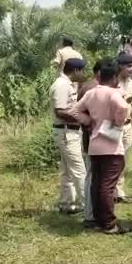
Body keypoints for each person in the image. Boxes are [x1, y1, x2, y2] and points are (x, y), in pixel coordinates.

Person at [71, 61, 131, 235]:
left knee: (97, 184)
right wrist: (118, 122)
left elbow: (74, 111)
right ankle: (109, 223)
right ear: (113, 77)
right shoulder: (113, 93)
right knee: (107, 186)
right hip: (111, 146)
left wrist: (90, 122)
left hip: (95, 144)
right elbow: (123, 107)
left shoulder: (91, 93)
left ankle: (98, 220)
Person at [50, 58, 87, 214]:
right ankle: (89, 206)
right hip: (66, 131)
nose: (84, 74)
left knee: (67, 171)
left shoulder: (68, 84)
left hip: (70, 131)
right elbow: (60, 111)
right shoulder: (61, 85)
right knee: (79, 170)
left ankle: (67, 203)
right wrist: (83, 118)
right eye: (82, 71)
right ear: (76, 71)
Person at [78, 60, 103, 228]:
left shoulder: (89, 87)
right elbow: (77, 112)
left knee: (95, 176)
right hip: (94, 139)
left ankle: (94, 211)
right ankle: (90, 214)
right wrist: (91, 125)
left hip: (94, 138)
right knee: (92, 176)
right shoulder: (92, 89)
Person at [114, 53, 132, 204]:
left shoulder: (131, 82)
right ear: (121, 67)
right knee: (113, 159)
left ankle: (119, 191)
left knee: (124, 160)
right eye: (129, 66)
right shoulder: (112, 81)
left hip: (127, 125)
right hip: (114, 126)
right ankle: (111, 190)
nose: (131, 69)